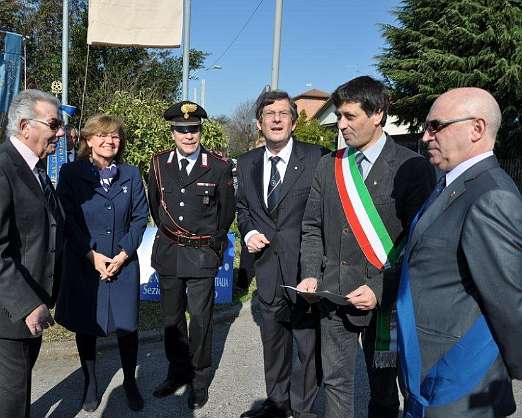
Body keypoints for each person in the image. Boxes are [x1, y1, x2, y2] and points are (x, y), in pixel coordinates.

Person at [298, 76, 435, 418]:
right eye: (338, 117)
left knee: (384, 393)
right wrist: (311, 274)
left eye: (350, 116)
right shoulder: (329, 165)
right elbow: (312, 227)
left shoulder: (411, 167)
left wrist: (379, 289)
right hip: (334, 295)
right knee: (335, 385)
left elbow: (419, 245)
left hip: (384, 302)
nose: (340, 125)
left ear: (377, 115)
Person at [397, 87, 522, 418]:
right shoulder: (451, 184)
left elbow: (510, 300)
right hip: (428, 370)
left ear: (476, 129)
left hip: (459, 379)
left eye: (436, 126)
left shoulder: (491, 195)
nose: (425, 136)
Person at [236, 90, 327, 418]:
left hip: (305, 270)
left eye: (283, 114)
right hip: (267, 270)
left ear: (294, 122)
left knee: (306, 347)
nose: (276, 119)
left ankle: (303, 410)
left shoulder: (317, 158)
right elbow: (243, 209)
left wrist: (319, 268)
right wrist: (249, 232)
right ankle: (277, 405)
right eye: (269, 114)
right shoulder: (246, 163)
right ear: (259, 124)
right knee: (273, 343)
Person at [55, 114, 148, 412]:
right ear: (89, 140)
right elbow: (66, 218)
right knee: (87, 325)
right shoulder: (71, 173)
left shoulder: (131, 174)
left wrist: (123, 254)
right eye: (102, 135)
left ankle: (130, 382)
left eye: (115, 136)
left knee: (127, 326)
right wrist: (90, 255)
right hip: (85, 263)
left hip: (123, 263)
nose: (110, 141)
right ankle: (91, 382)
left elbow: (140, 218)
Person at [148, 100, 235, 410]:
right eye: (182, 130)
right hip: (169, 252)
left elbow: (226, 213)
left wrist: (211, 244)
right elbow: (156, 207)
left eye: (194, 129)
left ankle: (199, 379)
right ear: (173, 132)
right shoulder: (158, 163)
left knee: (200, 320)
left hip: (201, 255)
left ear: (200, 131)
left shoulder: (219, 166)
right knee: (171, 320)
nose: (188, 136)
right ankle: (176, 373)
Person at [0, 89, 65, 418]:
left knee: (20, 389)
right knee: (11, 400)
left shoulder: (37, 169)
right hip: (10, 313)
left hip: (34, 306)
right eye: (54, 124)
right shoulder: (3, 168)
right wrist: (27, 304)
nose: (61, 132)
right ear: (25, 126)